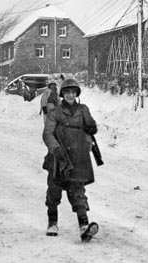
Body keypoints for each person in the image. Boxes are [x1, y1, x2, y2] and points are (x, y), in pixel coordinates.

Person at [42, 78, 99, 242]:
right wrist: (56, 149)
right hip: (58, 156)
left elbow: (91, 125)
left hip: (77, 156)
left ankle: (84, 226)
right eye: (67, 92)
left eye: (73, 92)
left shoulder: (83, 109)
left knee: (78, 190)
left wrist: (91, 127)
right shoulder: (56, 113)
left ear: (77, 94)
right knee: (54, 190)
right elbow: (47, 133)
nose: (70, 95)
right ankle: (52, 223)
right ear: (62, 94)